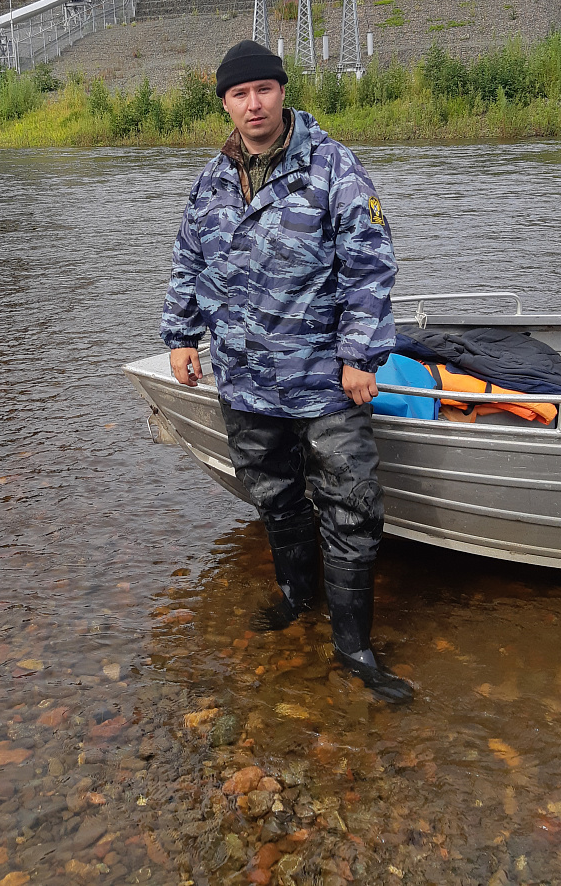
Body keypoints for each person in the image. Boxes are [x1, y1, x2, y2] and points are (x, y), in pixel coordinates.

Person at [160, 38, 413, 704]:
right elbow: (189, 260)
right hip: (244, 379)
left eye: (263, 90)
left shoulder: (333, 168)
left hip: (324, 381)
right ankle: (298, 598)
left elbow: (370, 266)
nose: (253, 105)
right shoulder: (214, 178)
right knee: (273, 495)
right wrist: (182, 335)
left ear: (282, 92)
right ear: (225, 103)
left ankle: (354, 645)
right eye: (239, 94)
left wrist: (361, 355)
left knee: (352, 510)